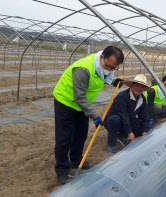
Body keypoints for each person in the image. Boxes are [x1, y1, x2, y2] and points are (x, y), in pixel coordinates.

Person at [53, 46, 124, 185]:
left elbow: (100, 77)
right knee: (64, 138)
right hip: (66, 102)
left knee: (80, 134)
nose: (109, 70)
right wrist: (94, 115)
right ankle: (62, 171)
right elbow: (79, 97)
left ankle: (76, 161)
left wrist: (113, 81)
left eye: (113, 69)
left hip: (81, 105)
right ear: (102, 57)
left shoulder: (101, 68)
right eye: (108, 66)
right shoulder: (83, 69)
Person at [104, 74, 153, 154]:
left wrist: (145, 131)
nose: (139, 88)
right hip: (113, 120)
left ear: (144, 89)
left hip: (128, 119)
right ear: (132, 85)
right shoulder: (122, 96)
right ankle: (112, 144)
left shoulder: (142, 99)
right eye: (137, 85)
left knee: (142, 127)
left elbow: (144, 116)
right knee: (115, 120)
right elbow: (123, 115)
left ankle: (121, 135)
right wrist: (130, 132)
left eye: (141, 86)